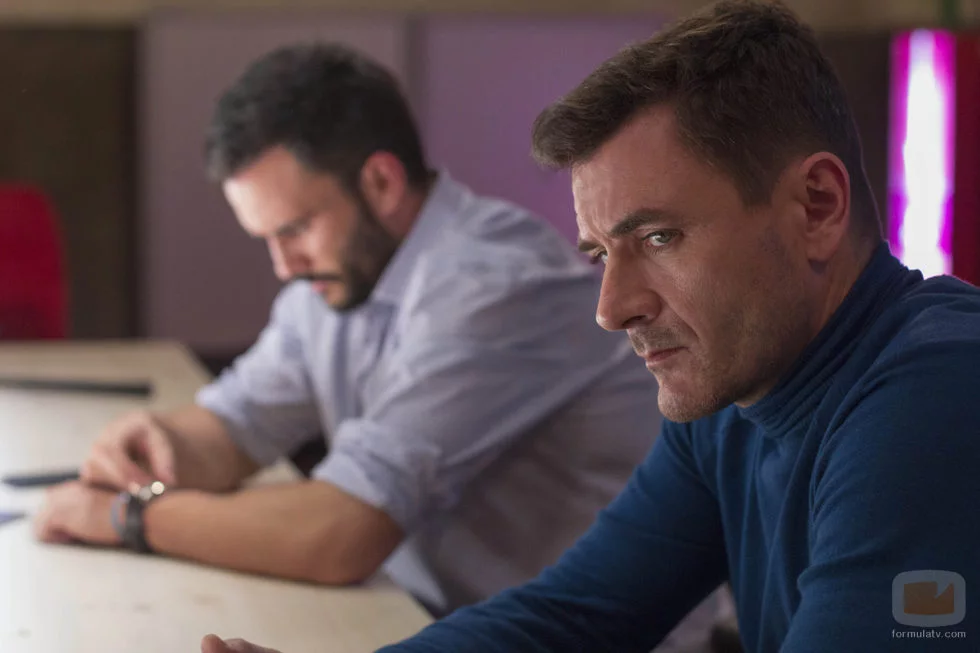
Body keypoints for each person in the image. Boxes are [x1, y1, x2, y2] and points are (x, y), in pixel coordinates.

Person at [199, 1, 980, 652]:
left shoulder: (933, 399)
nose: (612, 307)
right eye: (602, 253)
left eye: (659, 237)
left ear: (817, 207)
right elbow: (572, 615)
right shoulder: (732, 390)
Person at [31, 43, 664, 620]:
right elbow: (238, 424)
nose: (284, 266)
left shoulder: (494, 285)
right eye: (268, 238)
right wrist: (155, 444)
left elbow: (340, 535)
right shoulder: (338, 275)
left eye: (294, 230)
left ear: (381, 182)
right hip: (435, 615)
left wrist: (129, 516)